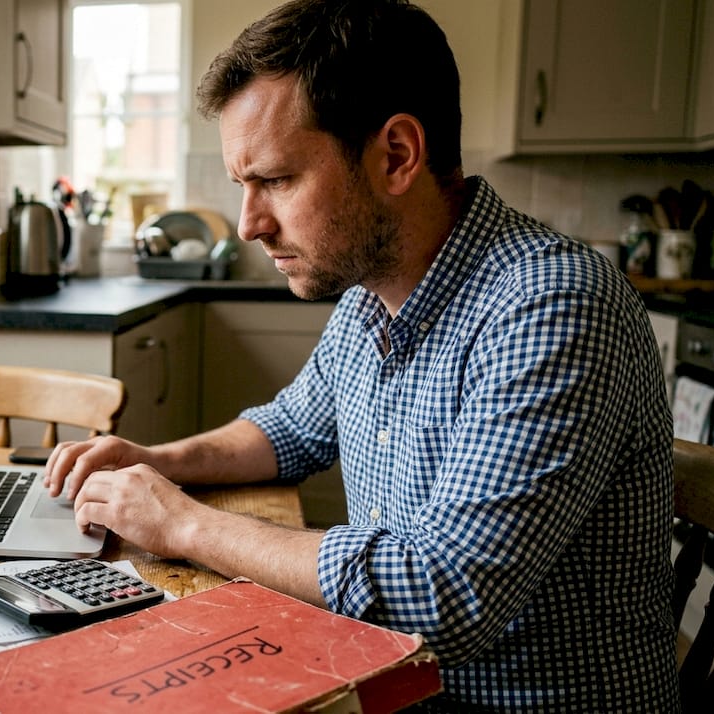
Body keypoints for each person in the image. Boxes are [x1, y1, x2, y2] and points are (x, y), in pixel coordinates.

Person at [43, 1, 680, 711]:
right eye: (242, 187)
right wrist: (160, 461)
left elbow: (443, 594)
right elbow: (288, 429)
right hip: (390, 682)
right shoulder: (370, 296)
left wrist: (184, 524)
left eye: (277, 180)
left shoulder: (553, 305)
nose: (251, 223)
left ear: (397, 156)